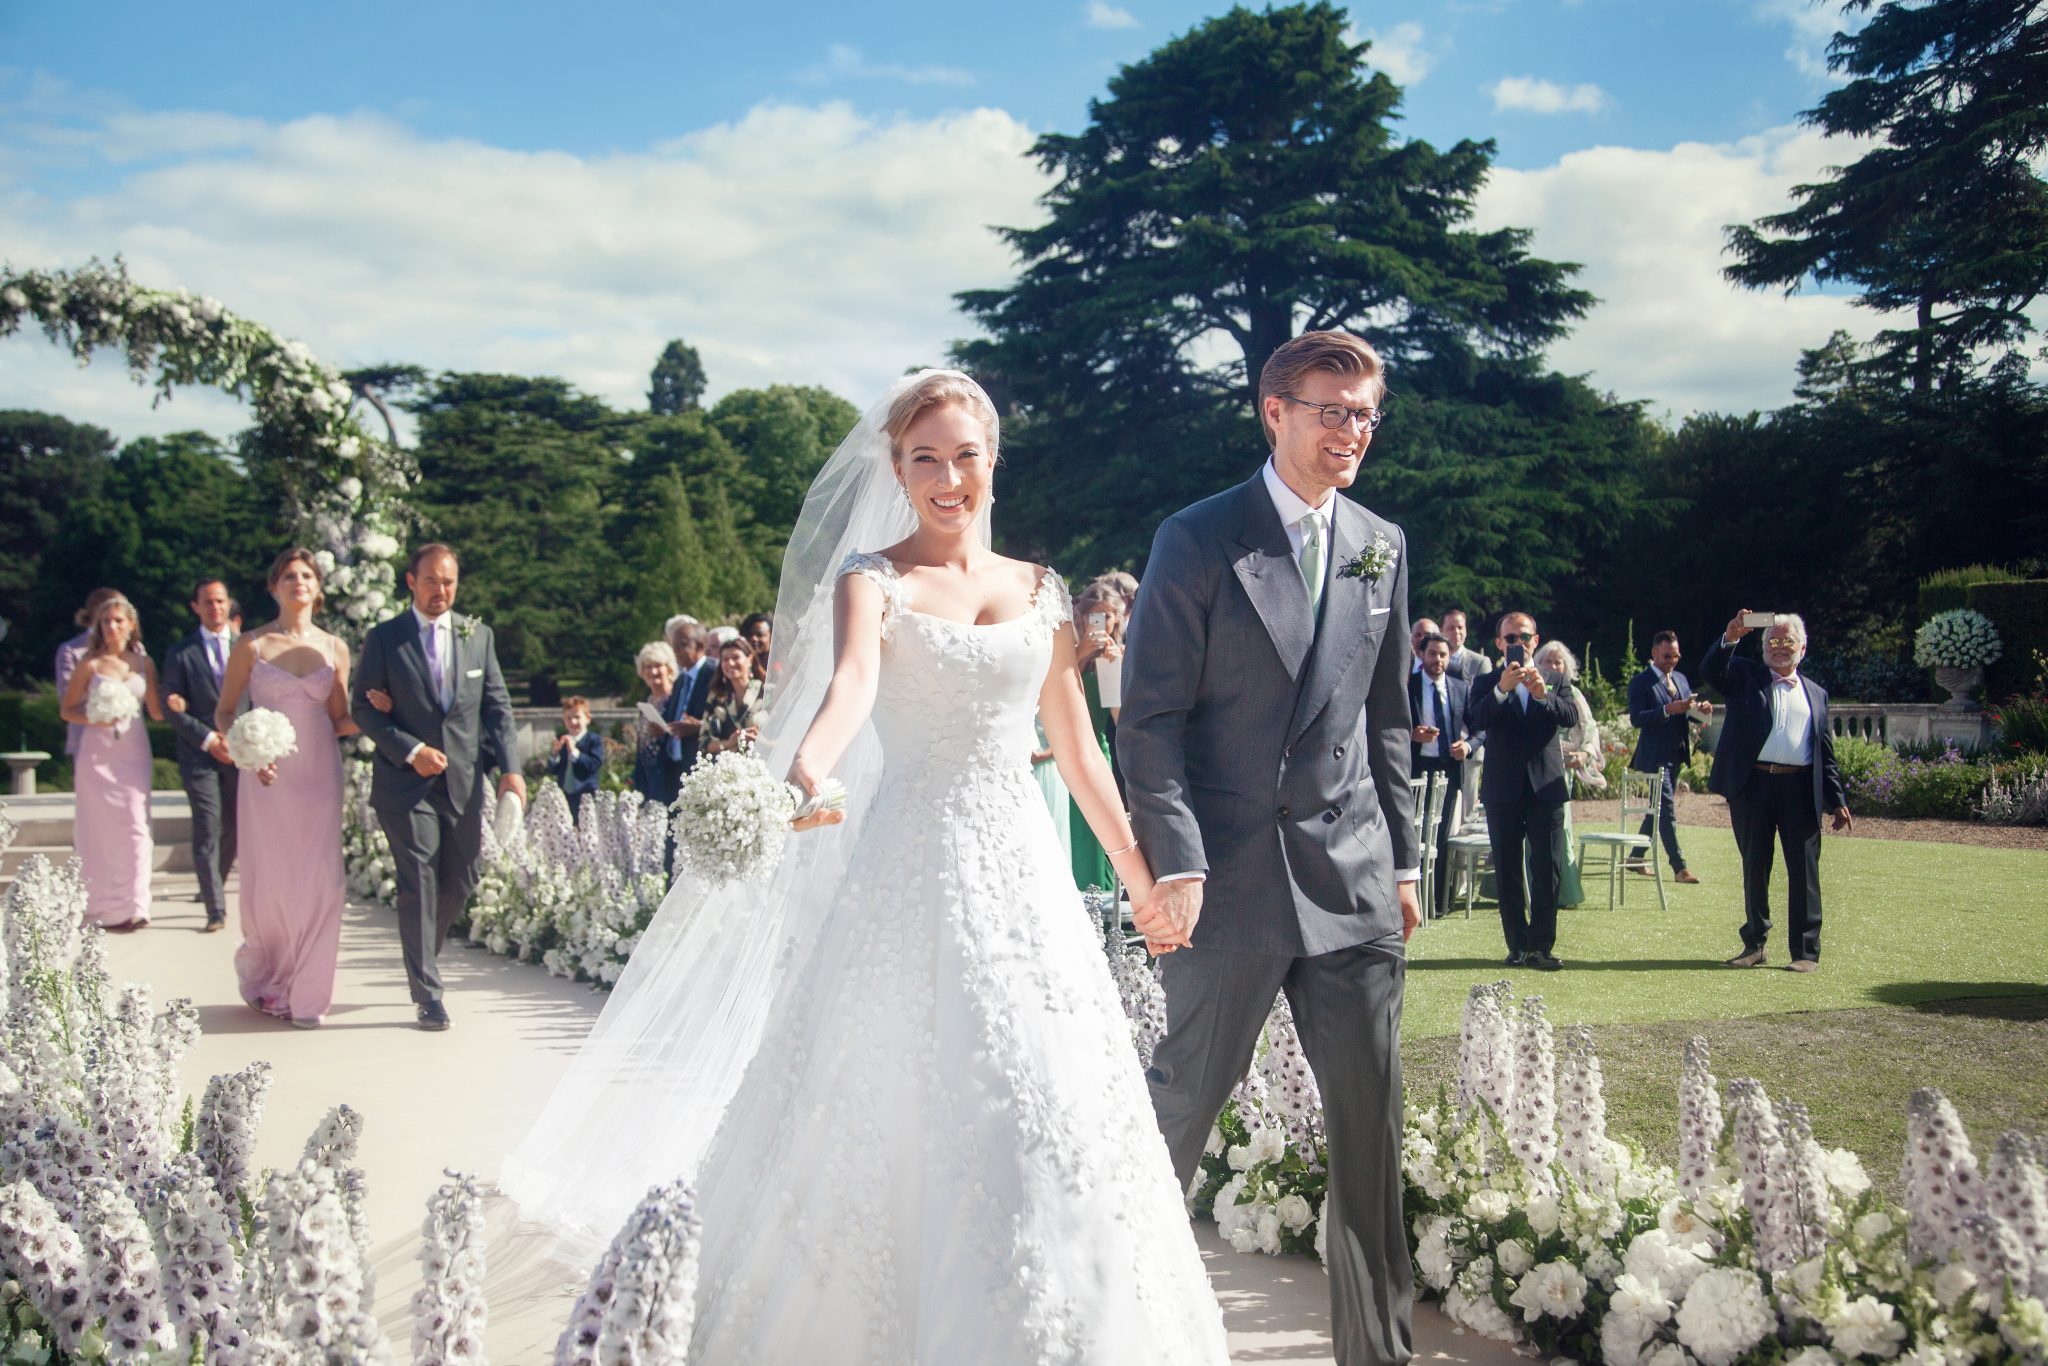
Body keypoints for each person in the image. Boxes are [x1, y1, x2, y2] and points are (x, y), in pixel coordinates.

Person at [502, 370, 1227, 1361]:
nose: (945, 477)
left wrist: (1141, 876)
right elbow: (848, 687)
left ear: (990, 461)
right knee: (882, 1093)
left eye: (963, 455)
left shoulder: (1040, 592)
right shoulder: (871, 579)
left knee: (1044, 1100)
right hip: (910, 869)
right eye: (922, 458)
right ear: (895, 469)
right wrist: (803, 769)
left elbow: (1079, 750)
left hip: (1024, 883)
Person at [1119, 329, 1419, 1366]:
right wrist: (1177, 859)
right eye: (1330, 411)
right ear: (1272, 411)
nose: (1350, 433)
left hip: (1354, 879)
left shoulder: (1381, 540)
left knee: (1369, 1138)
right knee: (1180, 1107)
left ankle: (1377, 1354)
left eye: (1364, 415)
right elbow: (1147, 719)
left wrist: (1408, 860)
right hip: (1227, 885)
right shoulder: (1197, 537)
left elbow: (1387, 717)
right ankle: (1110, 1321)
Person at [349, 543, 523, 1032]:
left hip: (464, 783)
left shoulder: (477, 635)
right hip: (406, 786)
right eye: (431, 581)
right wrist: (409, 748)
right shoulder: (385, 638)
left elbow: (497, 709)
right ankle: (428, 994)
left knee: (462, 878)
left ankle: (424, 950)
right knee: (419, 880)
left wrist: (511, 769)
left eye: (449, 582)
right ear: (411, 581)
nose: (441, 591)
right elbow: (361, 707)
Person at [214, 549, 359, 1027]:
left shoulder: (335, 648)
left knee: (322, 881)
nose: (299, 582)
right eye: (289, 576)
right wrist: (247, 754)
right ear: (273, 587)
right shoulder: (251, 645)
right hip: (266, 778)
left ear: (318, 588)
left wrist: (384, 710)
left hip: (319, 774)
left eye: (307, 575)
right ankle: (273, 978)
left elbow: (340, 719)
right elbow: (224, 710)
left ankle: (309, 993)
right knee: (274, 883)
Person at [1702, 610, 1850, 972]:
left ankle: (1805, 951)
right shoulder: (1745, 675)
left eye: (1787, 642)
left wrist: (1837, 801)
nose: (1779, 648)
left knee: (1804, 871)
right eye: (1772, 642)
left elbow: (1824, 752)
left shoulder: (1817, 694)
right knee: (1755, 865)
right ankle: (1754, 943)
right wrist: (1731, 637)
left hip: (1800, 788)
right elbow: (1711, 672)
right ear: (1764, 647)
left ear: (1802, 648)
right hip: (1753, 785)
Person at [1467, 611, 1577, 971]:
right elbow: (1476, 720)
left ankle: (1541, 947)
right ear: (1499, 643)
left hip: (1546, 787)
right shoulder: (1486, 683)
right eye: (1510, 638)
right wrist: (1502, 690)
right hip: (1503, 789)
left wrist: (1542, 695)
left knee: (1548, 869)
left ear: (1535, 640)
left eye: (1524, 637)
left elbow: (1570, 717)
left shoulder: (1555, 679)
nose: (1518, 644)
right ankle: (1516, 945)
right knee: (1508, 870)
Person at [58, 596, 163, 931]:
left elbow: (157, 712)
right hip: (97, 754)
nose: (113, 627)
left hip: (133, 751)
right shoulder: (89, 664)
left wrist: (178, 702)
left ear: (131, 624)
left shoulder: (144, 664)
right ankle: (100, 904)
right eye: (107, 622)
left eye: (119, 621)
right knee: (98, 827)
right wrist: (95, 717)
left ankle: (135, 904)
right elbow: (67, 709)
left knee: (136, 822)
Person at [160, 577, 242, 932]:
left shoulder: (247, 646)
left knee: (234, 827)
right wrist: (210, 740)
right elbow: (172, 708)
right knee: (208, 825)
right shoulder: (181, 652)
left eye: (221, 601)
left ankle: (215, 885)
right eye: (208, 602)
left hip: (241, 752)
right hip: (199, 753)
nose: (215, 608)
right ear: (196, 606)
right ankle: (215, 910)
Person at [1627, 630, 1708, 884]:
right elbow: (1637, 718)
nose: (1672, 660)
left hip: (1676, 754)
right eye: (1666, 656)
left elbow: (1687, 712)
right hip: (1653, 757)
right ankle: (1679, 867)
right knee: (1666, 811)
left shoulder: (1681, 679)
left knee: (1655, 811)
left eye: (1676, 656)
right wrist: (1666, 709)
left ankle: (1635, 858)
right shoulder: (1641, 682)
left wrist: (1701, 710)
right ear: (1654, 653)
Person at [1535, 641, 1605, 909]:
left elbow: (1589, 728)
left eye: (1558, 662)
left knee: (1559, 828)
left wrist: (1585, 754)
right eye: (1548, 662)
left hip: (1561, 768)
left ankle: (1564, 893)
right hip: (1532, 763)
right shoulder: (1531, 687)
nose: (1553, 666)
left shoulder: (1572, 693)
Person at [1068, 579, 1127, 890]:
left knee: (1097, 837)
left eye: (1108, 616)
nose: (1102, 624)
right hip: (1060, 756)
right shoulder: (1066, 652)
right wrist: (1079, 654)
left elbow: (1120, 720)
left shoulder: (1117, 658)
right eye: (1095, 616)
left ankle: (1102, 917)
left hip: (1096, 754)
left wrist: (1114, 670)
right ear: (1082, 616)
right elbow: (1052, 695)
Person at [1409, 632, 1471, 916]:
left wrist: (1468, 746)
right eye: (1432, 653)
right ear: (1422, 655)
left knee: (1443, 833)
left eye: (1443, 654)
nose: (1438, 660)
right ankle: (1414, 898)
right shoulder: (1407, 687)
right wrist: (1412, 735)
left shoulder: (1460, 688)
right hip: (1416, 769)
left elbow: (1479, 729)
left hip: (1449, 769)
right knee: (1414, 833)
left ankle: (1439, 900)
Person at [55, 588, 139, 758]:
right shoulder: (71, 651)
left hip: (131, 738)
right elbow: (67, 698)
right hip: (87, 736)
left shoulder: (136, 650)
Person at [628, 641, 687, 806]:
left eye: (657, 665)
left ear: (669, 668)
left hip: (668, 777)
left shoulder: (675, 700)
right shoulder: (647, 703)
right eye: (647, 666)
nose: (652, 671)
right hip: (646, 776)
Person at [697, 638, 768, 756]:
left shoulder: (766, 692)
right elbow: (703, 742)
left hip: (762, 764)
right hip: (727, 768)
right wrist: (728, 744)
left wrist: (759, 741)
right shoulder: (716, 696)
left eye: (735, 657)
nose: (730, 663)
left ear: (749, 659)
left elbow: (786, 738)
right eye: (725, 659)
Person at [665, 616, 714, 773]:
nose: (676, 651)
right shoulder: (681, 679)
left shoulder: (715, 674)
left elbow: (727, 720)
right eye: (674, 646)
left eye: (683, 645)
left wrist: (700, 726)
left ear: (699, 646)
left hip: (704, 763)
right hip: (677, 763)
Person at [548, 695, 605, 819]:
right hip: (565, 793)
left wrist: (574, 752)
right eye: (568, 718)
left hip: (585, 793)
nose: (573, 722)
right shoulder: (562, 739)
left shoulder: (593, 740)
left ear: (587, 718)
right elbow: (553, 769)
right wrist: (555, 755)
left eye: (577, 717)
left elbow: (594, 764)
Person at [1441, 608, 1490, 684]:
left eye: (1460, 628)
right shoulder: (1433, 660)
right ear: (1441, 631)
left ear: (1466, 631)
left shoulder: (1479, 663)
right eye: (1451, 628)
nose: (1456, 632)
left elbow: (1486, 694)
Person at [738, 611, 773, 681]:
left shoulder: (782, 661)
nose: (753, 639)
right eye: (749, 635)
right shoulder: (737, 661)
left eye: (759, 634)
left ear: (771, 636)